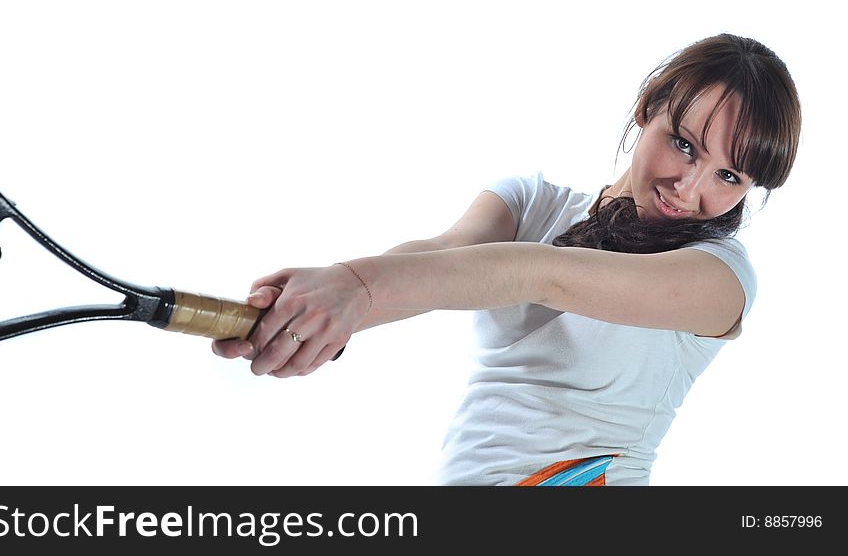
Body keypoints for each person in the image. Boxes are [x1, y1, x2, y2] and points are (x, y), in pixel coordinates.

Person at [212, 33, 801, 486]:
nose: (689, 187)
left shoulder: (720, 276)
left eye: (728, 175)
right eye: (683, 143)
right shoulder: (532, 202)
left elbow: (546, 274)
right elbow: (438, 259)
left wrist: (356, 287)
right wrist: (309, 316)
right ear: (649, 107)